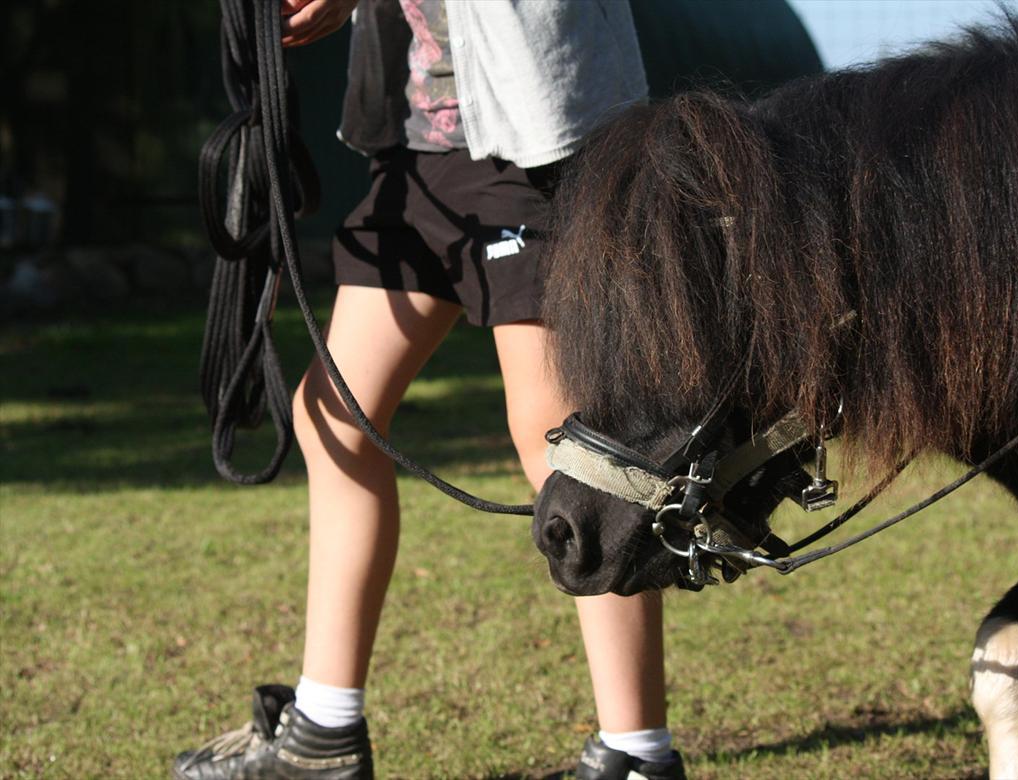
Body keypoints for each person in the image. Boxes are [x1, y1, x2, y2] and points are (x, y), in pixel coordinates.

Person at [173, 2, 685, 778]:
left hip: (537, 142)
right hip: (417, 151)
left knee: (571, 454)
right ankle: (324, 733)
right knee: (334, 417)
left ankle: (637, 755)